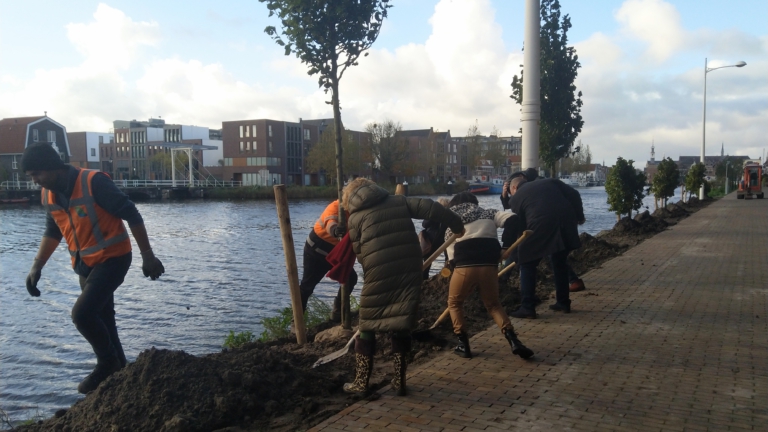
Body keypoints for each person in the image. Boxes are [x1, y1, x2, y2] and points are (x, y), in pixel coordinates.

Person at [21, 143, 165, 394]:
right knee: (104, 319)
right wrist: (37, 266)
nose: (35, 181)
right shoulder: (49, 194)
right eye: (31, 176)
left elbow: (132, 214)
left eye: (37, 174)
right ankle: (121, 373)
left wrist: (148, 256)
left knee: (83, 314)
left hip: (113, 258)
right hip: (84, 265)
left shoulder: (93, 182)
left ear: (53, 167)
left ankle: (107, 363)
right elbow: (53, 230)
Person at [341, 178, 464, 396]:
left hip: (378, 269)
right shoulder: (398, 201)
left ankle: (361, 383)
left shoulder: (355, 217)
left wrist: (372, 266)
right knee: (401, 321)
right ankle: (399, 381)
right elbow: (431, 207)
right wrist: (456, 225)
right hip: (409, 266)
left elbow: (359, 251)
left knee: (368, 322)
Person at [443, 192, 533, 360]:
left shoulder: (452, 224)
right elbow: (513, 219)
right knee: (493, 305)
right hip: (489, 265)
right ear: (475, 202)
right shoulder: (489, 213)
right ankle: (514, 341)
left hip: (464, 266)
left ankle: (463, 344)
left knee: (454, 302)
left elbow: (452, 259)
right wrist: (506, 247)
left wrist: (466, 281)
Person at [507, 176, 585, 319]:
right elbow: (574, 194)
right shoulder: (550, 181)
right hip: (567, 221)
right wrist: (579, 216)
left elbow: (520, 226)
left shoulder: (516, 197)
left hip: (541, 223)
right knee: (559, 261)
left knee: (526, 262)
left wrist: (516, 251)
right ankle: (563, 302)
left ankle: (527, 307)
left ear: (514, 188)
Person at [298, 199, 357, 322]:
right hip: (316, 250)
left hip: (336, 251)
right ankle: (297, 320)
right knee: (307, 286)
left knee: (351, 278)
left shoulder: (359, 212)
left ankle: (338, 313)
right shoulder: (336, 206)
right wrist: (336, 230)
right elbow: (330, 222)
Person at [420, 196, 451, 280]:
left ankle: (425, 279)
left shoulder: (445, 216)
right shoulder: (436, 215)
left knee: (428, 261)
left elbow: (424, 225)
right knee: (446, 260)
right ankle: (445, 277)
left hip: (435, 240)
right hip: (438, 240)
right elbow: (424, 224)